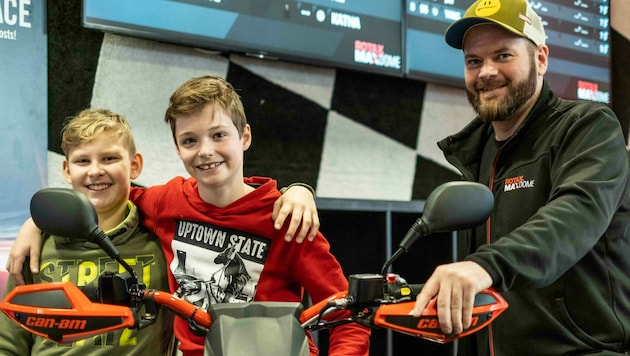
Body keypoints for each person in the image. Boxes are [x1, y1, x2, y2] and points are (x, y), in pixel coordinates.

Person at [6, 76, 370, 356]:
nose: (206, 151)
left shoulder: (287, 218)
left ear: (244, 136)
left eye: (218, 135)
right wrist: (37, 221)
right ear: (178, 148)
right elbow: (107, 195)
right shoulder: (167, 201)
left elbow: (348, 314)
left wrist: (298, 190)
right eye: (191, 140)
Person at [410, 0, 630, 355]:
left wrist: (485, 265)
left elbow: (575, 215)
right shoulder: (477, 153)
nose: (486, 72)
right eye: (474, 61)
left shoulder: (589, 127)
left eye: (502, 56)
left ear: (540, 59)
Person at [0, 108, 175, 355]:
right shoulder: (37, 246)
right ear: (67, 170)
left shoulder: (161, 242)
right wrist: (35, 223)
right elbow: (8, 341)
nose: (95, 171)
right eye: (83, 161)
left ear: (135, 165)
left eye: (109, 159)